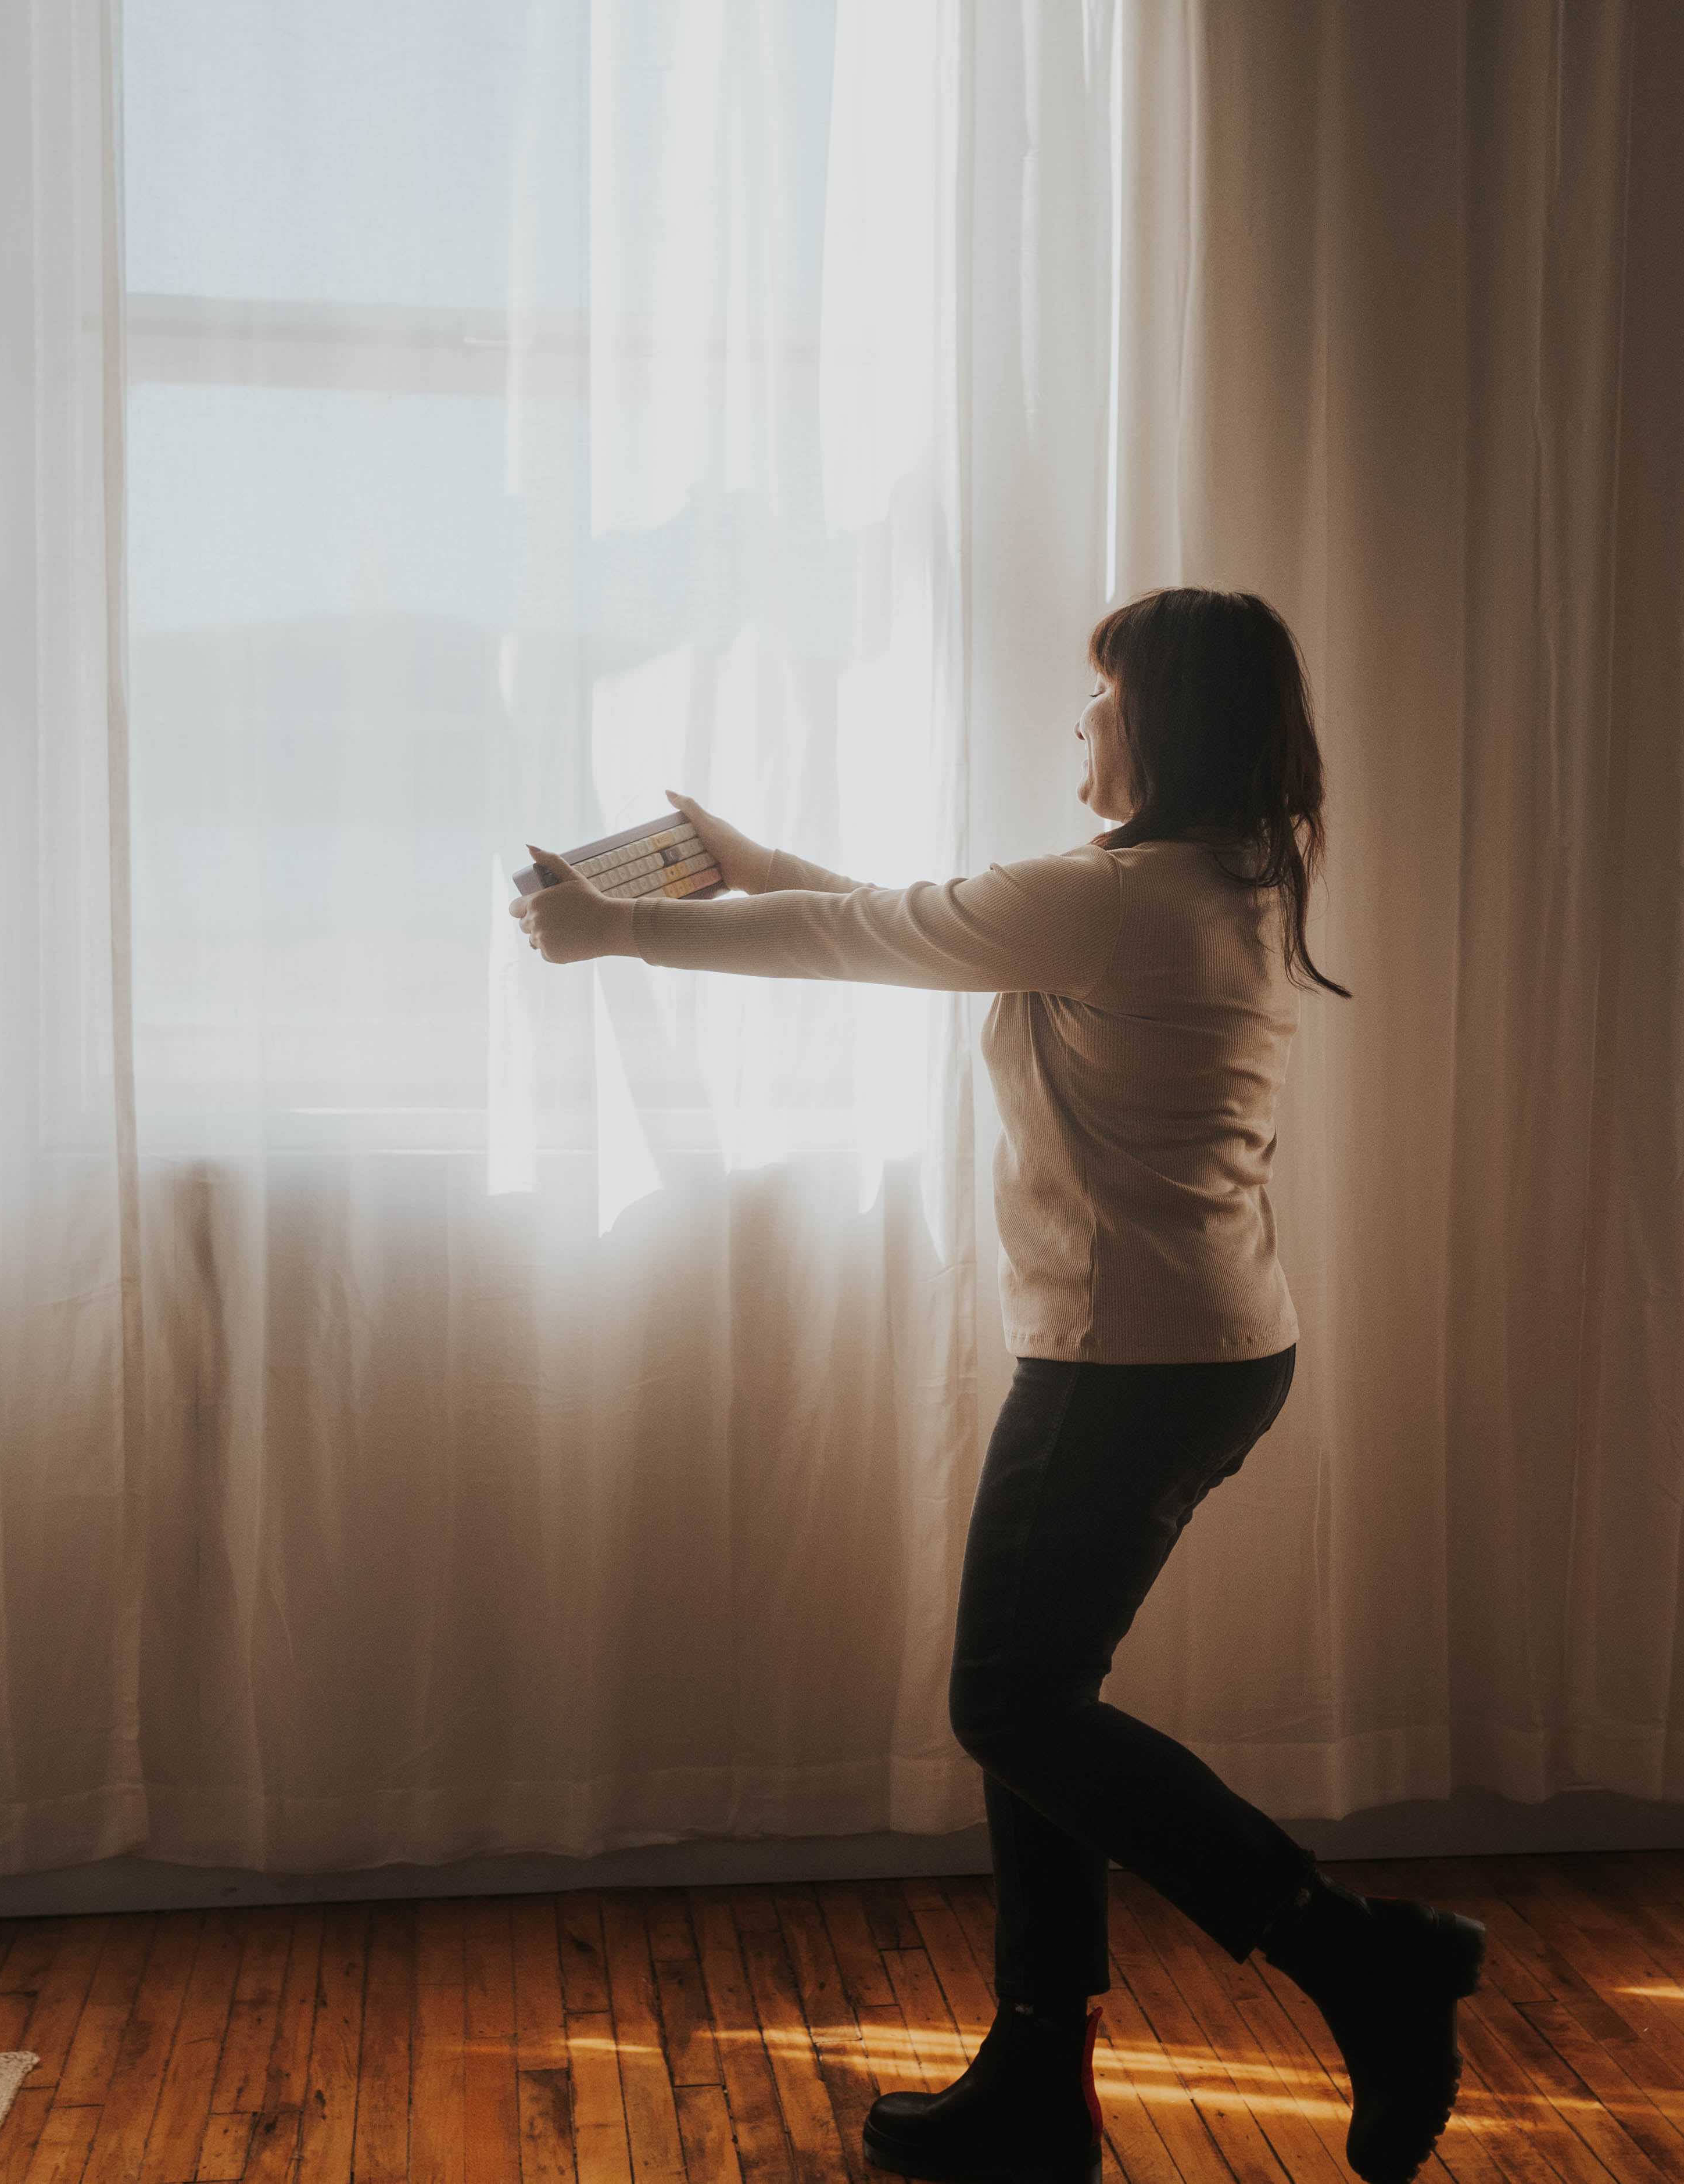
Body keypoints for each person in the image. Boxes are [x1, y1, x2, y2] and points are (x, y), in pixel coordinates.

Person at [510, 587, 1485, 2184]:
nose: (1079, 727)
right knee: (1041, 1712)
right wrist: (749, 872)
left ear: (1161, 727)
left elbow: (881, 937)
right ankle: (1043, 2071)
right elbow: (921, 926)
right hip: (1198, 1347)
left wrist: (624, 927)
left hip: (1137, 1361)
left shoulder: (1133, 897)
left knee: (1009, 1703)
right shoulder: (1220, 875)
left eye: (1100, 702)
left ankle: (1358, 1957)